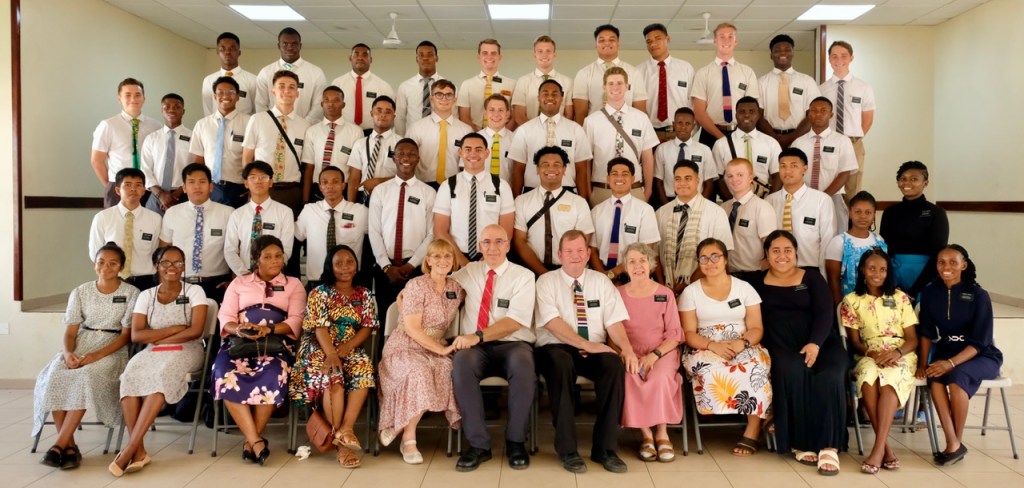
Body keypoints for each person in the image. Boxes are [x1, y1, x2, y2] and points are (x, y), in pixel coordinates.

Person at [534, 230, 636, 474]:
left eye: (580, 250)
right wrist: (585, 344)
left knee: (613, 365)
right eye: (569, 251)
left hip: (594, 347)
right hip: (556, 347)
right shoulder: (546, 281)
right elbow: (551, 322)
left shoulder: (601, 281)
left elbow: (614, 322)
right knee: (561, 363)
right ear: (559, 255)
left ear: (588, 254)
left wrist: (627, 349)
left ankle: (605, 449)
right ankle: (567, 450)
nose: (575, 255)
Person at [32, 243, 139, 470]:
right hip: (81, 343)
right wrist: (68, 354)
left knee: (85, 376)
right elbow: (70, 333)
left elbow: (125, 336)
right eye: (101, 262)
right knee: (54, 375)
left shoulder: (131, 293)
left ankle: (59, 445)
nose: (106, 267)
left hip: (112, 348)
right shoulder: (80, 291)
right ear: (94, 265)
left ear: (121, 267)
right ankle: (69, 447)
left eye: (112, 263)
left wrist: (95, 355)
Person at [751, 230, 848, 476]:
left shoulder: (812, 277)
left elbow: (825, 313)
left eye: (787, 250)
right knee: (793, 371)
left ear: (796, 252)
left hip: (821, 341)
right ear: (766, 254)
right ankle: (802, 441)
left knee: (829, 374)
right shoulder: (756, 282)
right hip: (781, 344)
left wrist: (815, 343)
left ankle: (829, 445)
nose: (781, 255)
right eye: (775, 250)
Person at [110, 246, 208, 477]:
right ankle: (139, 449)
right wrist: (174, 330)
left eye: (178, 263)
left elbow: (195, 331)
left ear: (184, 266)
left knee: (160, 376)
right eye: (166, 262)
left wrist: (159, 338)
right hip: (153, 350)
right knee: (130, 375)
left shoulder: (195, 291)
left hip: (187, 349)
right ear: (157, 265)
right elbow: (137, 335)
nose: (172, 267)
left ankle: (130, 449)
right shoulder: (146, 296)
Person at [212, 235, 306, 466]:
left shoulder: (294, 284)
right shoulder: (239, 283)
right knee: (225, 373)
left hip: (275, 344)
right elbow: (225, 317)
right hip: (239, 343)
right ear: (256, 259)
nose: (275, 261)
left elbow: (296, 319)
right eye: (268, 257)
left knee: (274, 373)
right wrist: (239, 329)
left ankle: (251, 441)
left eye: (278, 256)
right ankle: (255, 440)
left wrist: (268, 329)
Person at [449, 225, 537, 471]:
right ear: (479, 246)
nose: (493, 248)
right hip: (476, 349)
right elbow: (438, 285)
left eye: (499, 241)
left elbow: (515, 321)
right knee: (461, 363)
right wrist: (409, 292)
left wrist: (477, 336)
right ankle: (479, 445)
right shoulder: (469, 271)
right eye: (486, 242)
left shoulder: (523, 276)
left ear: (508, 245)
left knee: (524, 365)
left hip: (513, 343)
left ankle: (516, 442)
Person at [680, 238, 771, 456]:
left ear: (725, 259)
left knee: (755, 367)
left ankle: (753, 429)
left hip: (743, 341)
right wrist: (712, 346)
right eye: (703, 258)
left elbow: (757, 327)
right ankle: (715, 413)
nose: (709, 262)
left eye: (715, 257)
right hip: (704, 345)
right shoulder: (690, 292)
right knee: (709, 369)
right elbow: (688, 333)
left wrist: (742, 343)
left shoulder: (744, 288)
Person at [377, 239, 465, 465]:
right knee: (418, 370)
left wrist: (442, 350)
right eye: (437, 256)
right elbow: (413, 329)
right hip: (406, 344)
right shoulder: (416, 285)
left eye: (448, 256)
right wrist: (442, 349)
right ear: (428, 260)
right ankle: (409, 439)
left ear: (454, 260)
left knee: (447, 368)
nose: (443, 260)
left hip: (435, 347)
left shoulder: (456, 288)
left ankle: (397, 426)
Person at [290, 245, 377, 468]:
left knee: (363, 368)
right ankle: (343, 446)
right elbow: (319, 327)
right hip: (319, 348)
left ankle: (345, 429)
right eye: (339, 263)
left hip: (350, 347)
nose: (345, 267)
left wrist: (347, 347)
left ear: (356, 266)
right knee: (334, 378)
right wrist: (331, 354)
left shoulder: (364, 294)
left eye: (350, 262)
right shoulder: (319, 292)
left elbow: (367, 327)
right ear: (330, 266)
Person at [916, 245, 1003, 466]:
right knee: (935, 378)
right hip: (947, 351)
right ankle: (953, 443)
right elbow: (926, 332)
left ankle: (955, 443)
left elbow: (981, 341)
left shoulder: (978, 295)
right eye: (941, 262)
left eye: (953, 262)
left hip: (981, 356)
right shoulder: (930, 293)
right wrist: (923, 363)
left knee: (957, 378)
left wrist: (951, 363)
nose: (946, 267)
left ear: (963, 265)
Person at [839, 249, 918, 474]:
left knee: (890, 379)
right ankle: (886, 449)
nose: (877, 273)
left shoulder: (900, 298)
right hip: (868, 353)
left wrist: (898, 353)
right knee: (868, 376)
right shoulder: (851, 301)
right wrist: (872, 354)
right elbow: (855, 342)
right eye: (872, 268)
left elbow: (912, 340)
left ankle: (877, 450)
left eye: (883, 269)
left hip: (900, 353)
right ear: (862, 270)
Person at [617, 243, 683, 462]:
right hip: (629, 351)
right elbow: (612, 331)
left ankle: (662, 434)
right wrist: (626, 353)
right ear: (625, 267)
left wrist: (655, 355)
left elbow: (674, 334)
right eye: (632, 261)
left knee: (660, 377)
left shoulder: (665, 294)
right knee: (630, 377)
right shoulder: (617, 294)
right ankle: (646, 435)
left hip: (662, 351)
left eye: (642, 261)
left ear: (651, 264)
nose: (638, 266)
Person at [367, 138, 436, 325]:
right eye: (401, 154)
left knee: (416, 321)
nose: (406, 158)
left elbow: (431, 234)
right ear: (394, 158)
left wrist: (411, 265)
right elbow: (374, 231)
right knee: (386, 319)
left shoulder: (428, 192)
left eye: (411, 154)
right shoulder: (380, 191)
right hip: (385, 268)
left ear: (418, 159)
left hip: (415, 268)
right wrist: (386, 266)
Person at [433, 133, 515, 267]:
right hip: (456, 257)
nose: (473, 154)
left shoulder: (501, 186)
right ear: (460, 152)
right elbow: (440, 231)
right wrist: (462, 261)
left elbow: (506, 230)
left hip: (491, 257)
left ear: (487, 153)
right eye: (468, 149)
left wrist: (487, 259)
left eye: (478, 149)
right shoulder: (448, 185)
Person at [158, 163, 234, 303]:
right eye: (191, 182)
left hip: (217, 285)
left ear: (211, 186)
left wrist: (234, 281)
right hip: (179, 282)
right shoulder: (172, 213)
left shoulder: (228, 213)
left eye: (202, 182)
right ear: (184, 188)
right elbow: (163, 251)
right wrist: (163, 283)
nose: (197, 186)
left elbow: (236, 249)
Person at [513, 146, 594, 275]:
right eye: (545, 165)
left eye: (557, 165)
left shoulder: (579, 203)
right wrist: (543, 273)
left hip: (567, 272)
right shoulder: (522, 201)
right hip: (530, 271)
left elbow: (582, 243)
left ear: (564, 170)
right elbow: (519, 242)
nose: (551, 169)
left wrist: (563, 274)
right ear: (537, 169)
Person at [656, 160, 733, 293]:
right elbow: (654, 254)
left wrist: (688, 285)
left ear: (698, 180)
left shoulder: (716, 212)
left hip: (703, 285)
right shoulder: (661, 213)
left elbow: (721, 254)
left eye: (688, 178)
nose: (682, 183)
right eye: (677, 179)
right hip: (667, 286)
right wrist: (663, 287)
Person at [508, 79, 592, 198]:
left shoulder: (575, 129)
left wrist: (583, 201)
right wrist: (516, 200)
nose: (550, 97)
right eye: (545, 93)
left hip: (567, 193)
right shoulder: (524, 130)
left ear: (562, 98)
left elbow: (581, 170)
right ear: (538, 98)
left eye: (555, 94)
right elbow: (518, 170)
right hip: (531, 192)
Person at [585, 67, 658, 205]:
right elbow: (587, 160)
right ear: (604, 87)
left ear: (627, 86)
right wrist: (589, 192)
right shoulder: (591, 121)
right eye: (611, 83)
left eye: (619, 83)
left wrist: (648, 190)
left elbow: (647, 157)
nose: (615, 87)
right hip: (602, 190)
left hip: (634, 189)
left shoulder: (641, 118)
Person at [243, 70, 311, 216]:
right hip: (262, 189)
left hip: (292, 190)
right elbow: (247, 157)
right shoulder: (257, 119)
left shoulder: (305, 125)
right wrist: (249, 186)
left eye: (292, 87)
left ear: (297, 93)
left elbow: (306, 164)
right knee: (259, 228)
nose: (286, 91)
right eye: (281, 86)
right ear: (273, 91)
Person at [879, 161, 949, 299]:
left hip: (925, 276)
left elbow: (938, 254)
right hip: (894, 275)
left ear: (925, 183)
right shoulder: (890, 212)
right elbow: (885, 250)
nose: (907, 182)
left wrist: (914, 291)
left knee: (922, 311)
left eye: (914, 179)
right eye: (903, 178)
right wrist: (891, 283)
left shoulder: (936, 213)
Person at [91, 78, 162, 208]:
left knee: (147, 221)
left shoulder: (156, 126)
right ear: (120, 98)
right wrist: (113, 185)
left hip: (147, 187)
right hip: (118, 186)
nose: (133, 99)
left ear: (144, 98)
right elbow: (96, 161)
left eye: (137, 95)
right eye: (127, 95)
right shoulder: (108, 125)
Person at [88, 168, 162, 290]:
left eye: (138, 185)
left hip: (145, 282)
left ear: (144, 190)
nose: (133, 189)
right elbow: (96, 253)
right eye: (127, 185)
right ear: (118, 190)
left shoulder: (155, 219)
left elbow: (155, 251)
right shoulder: (103, 217)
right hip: (113, 279)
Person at [791, 96, 858, 229]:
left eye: (823, 110)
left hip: (833, 197)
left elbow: (845, 173)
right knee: (804, 233)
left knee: (836, 234)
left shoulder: (842, 141)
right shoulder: (798, 143)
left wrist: (823, 197)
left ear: (831, 114)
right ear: (809, 114)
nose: (818, 114)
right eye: (814, 110)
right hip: (804, 198)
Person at [765, 148, 835, 274]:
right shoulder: (769, 201)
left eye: (794, 166)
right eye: (783, 166)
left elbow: (827, 241)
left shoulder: (822, 200)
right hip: (777, 270)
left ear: (804, 169)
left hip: (809, 270)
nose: (787, 171)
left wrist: (822, 276)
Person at [819, 40, 875, 199]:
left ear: (851, 58)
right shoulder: (821, 89)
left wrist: (854, 139)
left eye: (844, 56)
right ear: (829, 59)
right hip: (829, 143)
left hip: (853, 143)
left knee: (852, 189)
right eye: (834, 56)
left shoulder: (863, 87)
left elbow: (868, 119)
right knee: (829, 185)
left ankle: (850, 215)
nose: (839, 60)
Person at [590, 158, 660, 284]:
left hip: (633, 276)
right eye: (614, 174)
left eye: (625, 174)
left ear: (632, 179)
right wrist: (603, 276)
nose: (619, 178)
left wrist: (613, 273)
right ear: (608, 178)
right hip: (602, 275)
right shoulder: (596, 211)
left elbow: (646, 250)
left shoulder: (645, 210)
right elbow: (593, 249)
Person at [296, 166, 368, 287]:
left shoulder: (360, 211)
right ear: (320, 187)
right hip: (317, 281)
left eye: (335, 182)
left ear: (343, 185)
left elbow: (378, 235)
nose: (330, 186)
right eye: (325, 182)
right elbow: (296, 236)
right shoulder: (309, 211)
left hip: (349, 282)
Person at [690, 23, 760, 148]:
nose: (726, 40)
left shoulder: (747, 72)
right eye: (722, 36)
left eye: (730, 36)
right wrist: (722, 138)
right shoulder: (703, 73)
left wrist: (738, 136)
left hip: (741, 133)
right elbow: (699, 112)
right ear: (715, 41)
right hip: (710, 134)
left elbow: (752, 110)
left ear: (736, 41)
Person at [224, 161, 295, 277]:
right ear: (246, 183)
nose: (258, 181)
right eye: (253, 177)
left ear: (271, 182)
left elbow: (286, 249)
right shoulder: (237, 214)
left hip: (274, 274)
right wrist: (244, 274)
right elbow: (229, 250)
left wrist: (273, 271)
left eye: (264, 177)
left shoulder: (285, 212)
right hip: (244, 275)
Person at [190, 76, 251, 208]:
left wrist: (251, 185)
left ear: (238, 96)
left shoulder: (249, 122)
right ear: (214, 96)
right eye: (220, 92)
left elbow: (254, 157)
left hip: (238, 188)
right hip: (210, 188)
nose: (225, 96)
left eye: (230, 92)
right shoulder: (202, 124)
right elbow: (198, 161)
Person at [572, 24, 647, 124]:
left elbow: (640, 111)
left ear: (618, 43)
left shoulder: (634, 73)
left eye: (611, 40)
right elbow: (580, 114)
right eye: (601, 40)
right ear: (596, 44)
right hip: (595, 129)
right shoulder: (583, 74)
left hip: (626, 128)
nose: (607, 43)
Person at [300, 86, 363, 202]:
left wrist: (351, 203)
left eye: (336, 100)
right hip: (318, 189)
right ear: (322, 104)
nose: (331, 104)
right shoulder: (312, 131)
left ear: (343, 105)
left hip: (344, 190)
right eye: (326, 100)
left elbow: (355, 171)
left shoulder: (356, 132)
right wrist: (305, 201)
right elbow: (309, 168)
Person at [405, 79, 473, 186]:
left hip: (455, 185)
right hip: (422, 185)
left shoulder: (466, 130)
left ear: (454, 99)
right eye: (439, 94)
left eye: (449, 95)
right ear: (431, 98)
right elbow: (408, 159)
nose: (444, 98)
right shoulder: (416, 128)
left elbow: (468, 163)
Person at [711, 96, 781, 200]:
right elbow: (717, 178)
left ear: (758, 115)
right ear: (736, 115)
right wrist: (732, 202)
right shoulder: (721, 144)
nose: (747, 115)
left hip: (762, 201)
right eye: (742, 112)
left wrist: (769, 201)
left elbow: (778, 175)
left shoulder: (771, 143)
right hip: (731, 201)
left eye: (752, 111)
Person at [756, 34, 819, 148]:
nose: (782, 53)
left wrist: (791, 138)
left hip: (800, 138)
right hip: (770, 139)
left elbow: (812, 114)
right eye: (777, 50)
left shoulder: (807, 81)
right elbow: (758, 116)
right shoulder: (761, 82)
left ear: (793, 53)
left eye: (787, 50)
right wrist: (775, 139)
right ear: (771, 55)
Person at [720, 158, 777, 281]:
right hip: (725, 275)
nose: (734, 179)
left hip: (753, 275)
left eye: (740, 175)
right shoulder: (723, 209)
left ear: (751, 177)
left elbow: (771, 245)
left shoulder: (762, 207)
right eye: (730, 176)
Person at [825, 191, 887, 304]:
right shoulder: (839, 242)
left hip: (877, 303)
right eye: (858, 212)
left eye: (868, 212)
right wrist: (839, 307)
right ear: (850, 213)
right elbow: (833, 280)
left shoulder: (879, 240)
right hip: (849, 303)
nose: (863, 216)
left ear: (874, 215)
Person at [255, 27, 327, 124]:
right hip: (271, 126)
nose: (289, 47)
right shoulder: (265, 73)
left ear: (300, 46)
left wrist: (302, 125)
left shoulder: (316, 73)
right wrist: (271, 124)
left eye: (294, 43)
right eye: (285, 43)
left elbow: (318, 106)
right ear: (278, 45)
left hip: (305, 128)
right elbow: (260, 104)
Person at [637, 24, 694, 143]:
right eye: (649, 41)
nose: (653, 44)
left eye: (657, 39)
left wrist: (690, 132)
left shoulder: (685, 68)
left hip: (679, 133)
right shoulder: (638, 71)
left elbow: (693, 103)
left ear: (668, 39)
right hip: (651, 134)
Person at [140, 93, 192, 215]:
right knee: (152, 226)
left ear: (183, 111)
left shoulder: (193, 137)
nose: (171, 110)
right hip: (156, 196)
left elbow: (195, 169)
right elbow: (145, 169)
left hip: (183, 195)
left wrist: (177, 194)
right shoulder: (151, 138)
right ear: (161, 110)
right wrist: (160, 194)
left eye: (177, 107)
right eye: (167, 107)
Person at [653, 108, 715, 206]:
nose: (683, 127)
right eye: (680, 123)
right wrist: (667, 206)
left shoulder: (704, 150)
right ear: (674, 124)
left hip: (696, 201)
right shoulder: (662, 149)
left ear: (693, 126)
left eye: (688, 124)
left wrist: (699, 205)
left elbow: (708, 182)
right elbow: (658, 181)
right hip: (669, 200)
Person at [331, 44, 395, 133]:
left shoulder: (384, 86)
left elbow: (391, 114)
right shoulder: (338, 83)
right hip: (344, 132)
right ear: (350, 58)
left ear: (370, 59)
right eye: (356, 54)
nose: (360, 58)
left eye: (364, 55)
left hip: (372, 133)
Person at [511, 35, 574, 126]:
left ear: (554, 54)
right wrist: (535, 131)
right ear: (534, 54)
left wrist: (556, 131)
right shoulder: (523, 81)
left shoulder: (568, 82)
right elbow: (519, 115)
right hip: (529, 132)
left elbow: (569, 115)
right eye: (540, 51)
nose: (544, 55)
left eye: (548, 51)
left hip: (558, 131)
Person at [348, 96, 400, 204]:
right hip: (363, 197)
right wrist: (350, 206)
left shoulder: (401, 144)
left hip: (390, 197)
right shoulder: (360, 144)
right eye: (379, 110)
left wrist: (378, 182)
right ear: (372, 113)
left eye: (388, 112)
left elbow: (406, 176)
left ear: (393, 117)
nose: (383, 115)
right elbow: (354, 178)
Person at [458, 39, 516, 131]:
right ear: (478, 57)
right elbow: (464, 117)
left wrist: (502, 134)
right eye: (485, 53)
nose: (489, 57)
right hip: (474, 134)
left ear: (500, 57)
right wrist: (479, 135)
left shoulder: (512, 84)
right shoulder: (467, 85)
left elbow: (514, 116)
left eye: (493, 53)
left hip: (503, 135)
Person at [201, 32, 258, 116]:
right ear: (217, 52)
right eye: (222, 49)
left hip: (245, 124)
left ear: (239, 52)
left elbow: (257, 110)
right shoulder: (209, 80)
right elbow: (208, 110)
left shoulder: (253, 80)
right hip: (217, 124)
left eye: (232, 48)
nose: (227, 52)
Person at [394, 41, 442, 136]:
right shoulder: (405, 87)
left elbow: (453, 115)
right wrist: (402, 139)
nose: (425, 58)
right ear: (417, 59)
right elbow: (400, 117)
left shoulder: (448, 87)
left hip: (439, 136)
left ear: (436, 58)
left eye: (430, 55)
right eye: (421, 55)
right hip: (413, 137)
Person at [476, 94, 516, 182]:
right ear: (485, 113)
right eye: (492, 110)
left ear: (507, 114)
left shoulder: (516, 140)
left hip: (506, 189)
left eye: (501, 110)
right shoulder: (474, 140)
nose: (496, 114)